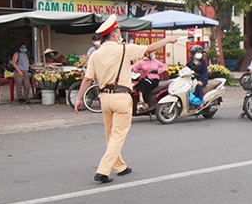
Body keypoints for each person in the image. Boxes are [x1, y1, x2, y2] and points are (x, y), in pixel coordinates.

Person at [74, 15, 177, 183]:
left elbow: (87, 79)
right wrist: (167, 40)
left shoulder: (95, 55)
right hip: (121, 97)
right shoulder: (123, 49)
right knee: (118, 135)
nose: (120, 34)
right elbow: (149, 49)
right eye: (119, 31)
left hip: (104, 98)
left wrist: (79, 98)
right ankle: (103, 170)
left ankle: (120, 166)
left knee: (110, 134)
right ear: (114, 34)